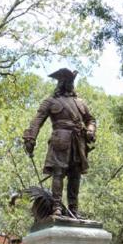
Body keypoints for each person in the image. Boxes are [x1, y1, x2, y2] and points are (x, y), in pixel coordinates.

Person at [22, 68, 96, 218]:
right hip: (60, 140)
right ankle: (57, 207)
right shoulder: (50, 101)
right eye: (67, 81)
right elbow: (37, 121)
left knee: (75, 176)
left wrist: (90, 130)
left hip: (78, 142)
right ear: (61, 83)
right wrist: (31, 138)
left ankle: (73, 209)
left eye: (71, 82)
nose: (69, 84)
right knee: (58, 173)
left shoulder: (80, 102)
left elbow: (90, 119)